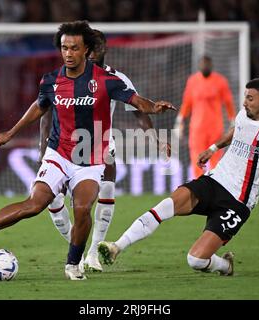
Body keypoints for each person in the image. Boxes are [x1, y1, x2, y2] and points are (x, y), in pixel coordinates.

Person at [0, 21, 176, 281]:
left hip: (91, 157)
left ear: (85, 50)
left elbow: (135, 101)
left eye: (74, 48)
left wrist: (153, 107)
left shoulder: (107, 80)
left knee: (81, 208)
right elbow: (39, 107)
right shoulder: (51, 80)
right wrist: (12, 132)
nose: (68, 53)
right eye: (64, 48)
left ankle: (72, 264)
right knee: (34, 205)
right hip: (59, 153)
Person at [98, 78, 259, 276]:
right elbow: (235, 131)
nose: (244, 102)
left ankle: (225, 265)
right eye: (245, 97)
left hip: (237, 201)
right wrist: (213, 148)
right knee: (166, 205)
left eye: (250, 98)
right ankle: (117, 246)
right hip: (215, 181)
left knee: (195, 260)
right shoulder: (244, 115)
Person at [39, 29, 170, 272]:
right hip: (64, 145)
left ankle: (93, 253)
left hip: (101, 144)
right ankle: (75, 246)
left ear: (102, 50)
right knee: (54, 199)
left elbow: (138, 110)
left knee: (107, 188)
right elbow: (45, 113)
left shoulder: (114, 77)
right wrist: (41, 147)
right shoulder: (64, 77)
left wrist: (156, 139)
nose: (91, 53)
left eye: (96, 49)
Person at [175, 56, 236, 179]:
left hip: (215, 128)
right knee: (197, 160)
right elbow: (187, 103)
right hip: (197, 129)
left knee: (215, 160)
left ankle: (214, 187)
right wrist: (179, 121)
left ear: (211, 66)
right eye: (203, 64)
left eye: (207, 64)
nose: (205, 67)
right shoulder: (193, 81)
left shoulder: (220, 81)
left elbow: (228, 102)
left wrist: (232, 120)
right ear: (199, 66)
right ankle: (199, 190)